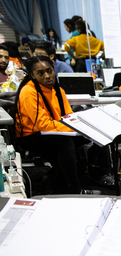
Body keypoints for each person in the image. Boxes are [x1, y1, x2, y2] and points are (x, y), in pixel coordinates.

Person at [14, 56, 111, 194]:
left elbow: (69, 116)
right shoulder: (29, 92)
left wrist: (83, 127)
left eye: (49, 71)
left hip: (56, 130)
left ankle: (102, 174)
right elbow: (43, 124)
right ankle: (75, 189)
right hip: (32, 136)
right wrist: (73, 128)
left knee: (97, 133)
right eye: (41, 73)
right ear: (32, 75)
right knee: (65, 143)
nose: (47, 76)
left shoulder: (58, 90)